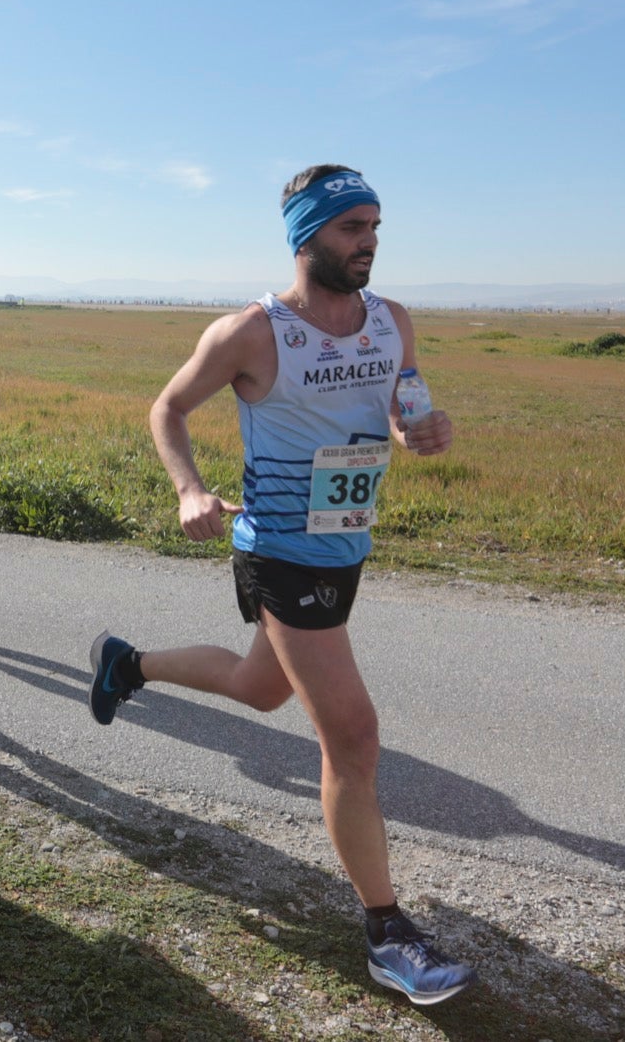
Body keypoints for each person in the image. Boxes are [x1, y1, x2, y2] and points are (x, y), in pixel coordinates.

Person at [86, 165, 474, 1005]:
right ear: (306, 236)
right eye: (350, 228)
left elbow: (404, 410)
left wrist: (421, 432)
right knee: (355, 738)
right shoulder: (252, 334)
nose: (368, 242)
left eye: (375, 226)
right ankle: (387, 933)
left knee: (258, 688)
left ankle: (130, 664)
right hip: (279, 554)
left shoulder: (393, 323)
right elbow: (168, 409)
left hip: (345, 551)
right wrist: (189, 488)